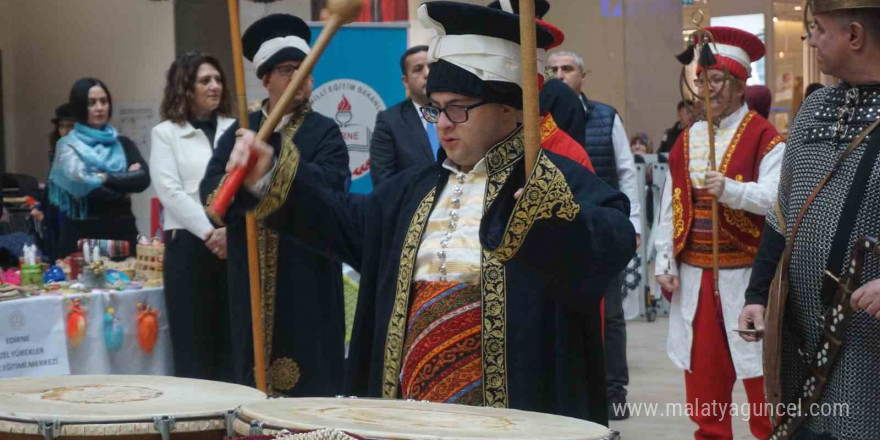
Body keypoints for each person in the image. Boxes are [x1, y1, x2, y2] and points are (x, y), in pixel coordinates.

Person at [223, 2, 635, 424]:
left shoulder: (554, 181)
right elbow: (338, 219)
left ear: (509, 109)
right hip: (410, 416)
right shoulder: (409, 192)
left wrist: (558, 222)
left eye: (459, 108)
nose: (443, 123)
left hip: (513, 417)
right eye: (436, 108)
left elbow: (615, 237)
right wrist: (268, 173)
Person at [739, 2, 880, 439]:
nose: (812, 40)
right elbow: (783, 214)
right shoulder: (814, 107)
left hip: (869, 342)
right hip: (803, 335)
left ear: (854, 35)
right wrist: (758, 294)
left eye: (818, 29)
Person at [200, 13, 350, 397]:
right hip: (249, 273)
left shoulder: (325, 131)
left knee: (311, 379)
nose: (300, 78)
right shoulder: (240, 131)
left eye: (306, 69)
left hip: (307, 272)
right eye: (287, 69)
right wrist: (236, 185)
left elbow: (331, 190)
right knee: (250, 380)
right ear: (266, 78)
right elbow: (214, 196)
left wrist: (273, 161)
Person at [654, 26, 784, 439]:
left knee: (762, 382)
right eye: (701, 81)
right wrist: (664, 261)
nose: (707, 90)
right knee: (705, 390)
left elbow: (775, 200)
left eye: (717, 80)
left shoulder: (767, 138)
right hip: (695, 276)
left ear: (739, 83)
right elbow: (668, 207)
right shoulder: (687, 140)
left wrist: (730, 190)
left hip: (748, 278)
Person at [547, 47, 640, 419]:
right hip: (560, 233)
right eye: (552, 68)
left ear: (582, 77)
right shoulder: (539, 122)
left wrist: (630, 226)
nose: (559, 74)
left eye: (567, 68)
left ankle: (615, 389)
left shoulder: (605, 116)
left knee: (612, 314)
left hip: (603, 226)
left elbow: (626, 171)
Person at [150, 51, 235, 382]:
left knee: (231, 333)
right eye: (205, 81)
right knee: (193, 338)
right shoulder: (165, 133)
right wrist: (211, 232)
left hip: (234, 241)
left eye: (217, 79)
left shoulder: (236, 127)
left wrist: (231, 232)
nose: (214, 86)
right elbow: (170, 192)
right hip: (189, 244)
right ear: (185, 87)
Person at [48, 78, 150, 259]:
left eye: (104, 101)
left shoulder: (123, 143)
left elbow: (143, 179)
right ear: (80, 106)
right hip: (81, 237)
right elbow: (85, 189)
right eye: (91, 103)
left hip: (122, 233)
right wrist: (125, 183)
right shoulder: (68, 147)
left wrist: (103, 178)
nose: (99, 107)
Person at [369, 46, 435, 186]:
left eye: (431, 66)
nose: (427, 73)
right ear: (405, 81)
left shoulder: (458, 113)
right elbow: (384, 181)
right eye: (418, 69)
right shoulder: (390, 121)